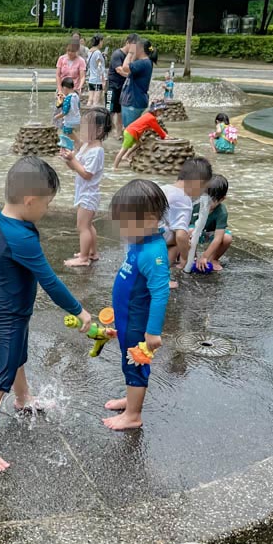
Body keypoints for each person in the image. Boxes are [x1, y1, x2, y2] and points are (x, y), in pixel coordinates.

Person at [0, 156, 92, 471]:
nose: (47, 210)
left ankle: (23, 398)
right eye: (47, 204)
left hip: (11, 309)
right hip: (8, 314)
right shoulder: (22, 237)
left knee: (17, 356)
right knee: (0, 375)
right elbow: (49, 280)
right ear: (29, 200)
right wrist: (80, 312)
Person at [102, 179, 171, 431]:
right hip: (127, 318)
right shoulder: (140, 242)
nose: (122, 229)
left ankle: (133, 415)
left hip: (138, 323)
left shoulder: (154, 253)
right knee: (127, 361)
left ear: (151, 219)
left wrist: (152, 331)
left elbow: (161, 293)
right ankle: (131, 400)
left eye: (127, 223)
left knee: (136, 364)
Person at [60, 107, 111, 267]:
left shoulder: (97, 151)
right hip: (83, 193)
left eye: (86, 126)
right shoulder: (85, 146)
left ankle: (83, 258)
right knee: (88, 225)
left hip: (89, 195)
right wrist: (68, 158)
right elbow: (76, 167)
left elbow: (87, 174)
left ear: (99, 129)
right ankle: (92, 252)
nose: (81, 129)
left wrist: (73, 161)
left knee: (82, 226)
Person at [159, 157, 213, 288]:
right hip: (155, 236)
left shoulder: (164, 188)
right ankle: (162, 279)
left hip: (139, 230)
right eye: (203, 187)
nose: (201, 193)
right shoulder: (184, 200)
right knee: (178, 243)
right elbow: (180, 235)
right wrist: (185, 257)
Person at [190, 174, 232, 271]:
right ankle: (193, 257)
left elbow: (218, 238)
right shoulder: (195, 205)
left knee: (227, 238)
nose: (206, 203)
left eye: (211, 200)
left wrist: (205, 256)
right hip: (194, 233)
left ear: (222, 199)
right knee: (190, 231)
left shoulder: (222, 212)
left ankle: (214, 258)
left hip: (210, 234)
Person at [118, 34, 155, 128]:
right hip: (134, 101)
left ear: (141, 49)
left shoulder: (143, 63)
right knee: (131, 132)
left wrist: (130, 53)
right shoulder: (145, 62)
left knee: (130, 131)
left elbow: (125, 67)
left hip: (133, 102)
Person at [53, 77, 81, 151]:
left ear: (65, 88)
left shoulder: (68, 98)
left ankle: (76, 146)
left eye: (62, 89)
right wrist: (65, 98)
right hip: (77, 119)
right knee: (68, 134)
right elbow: (76, 106)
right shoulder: (76, 95)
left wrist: (56, 117)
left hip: (70, 121)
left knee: (67, 133)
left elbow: (65, 112)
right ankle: (72, 147)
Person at [106, 44, 127, 136]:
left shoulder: (130, 56)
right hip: (112, 87)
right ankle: (105, 131)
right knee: (109, 110)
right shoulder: (117, 54)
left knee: (119, 111)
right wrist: (132, 76)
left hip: (122, 88)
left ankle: (118, 133)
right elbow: (119, 70)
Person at [85, 35, 106, 108]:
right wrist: (103, 79)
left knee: (90, 99)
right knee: (96, 101)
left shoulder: (90, 51)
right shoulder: (97, 52)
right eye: (102, 41)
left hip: (91, 78)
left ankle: (86, 114)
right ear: (99, 42)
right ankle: (94, 117)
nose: (102, 43)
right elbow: (99, 66)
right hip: (98, 79)